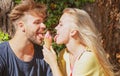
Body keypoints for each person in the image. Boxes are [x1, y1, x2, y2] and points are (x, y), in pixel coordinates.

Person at [42, 8, 114, 76]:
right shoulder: (63, 55)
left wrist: (53, 64)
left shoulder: (88, 58)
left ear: (73, 31)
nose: (56, 28)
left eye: (61, 24)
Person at [0, 0, 53, 76]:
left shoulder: (44, 55)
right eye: (37, 22)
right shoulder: (2, 54)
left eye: (43, 22)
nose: (44, 26)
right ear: (21, 26)